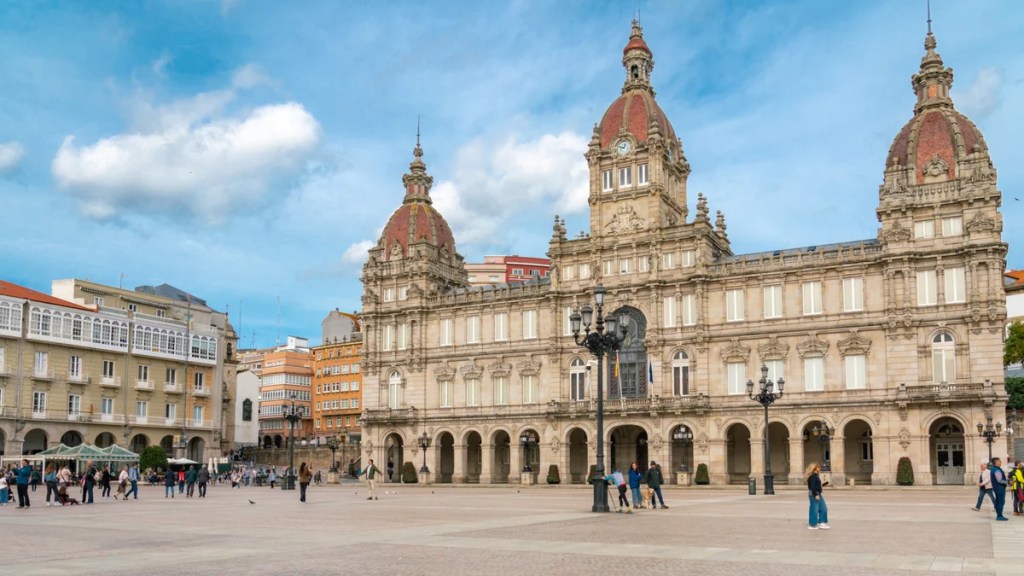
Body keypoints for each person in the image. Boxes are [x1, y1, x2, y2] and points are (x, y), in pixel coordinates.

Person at [806, 462, 830, 530]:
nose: (819, 468)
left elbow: (816, 485)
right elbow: (812, 487)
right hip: (814, 494)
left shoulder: (816, 476)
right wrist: (816, 494)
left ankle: (822, 523)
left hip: (818, 493)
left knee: (823, 508)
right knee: (814, 509)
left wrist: (822, 485)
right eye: (818, 467)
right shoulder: (813, 476)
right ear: (814, 469)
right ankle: (812, 524)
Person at [990, 457, 1009, 521]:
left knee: (999, 502)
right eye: (999, 461)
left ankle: (999, 515)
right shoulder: (996, 470)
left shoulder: (994, 469)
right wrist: (1008, 482)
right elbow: (1000, 480)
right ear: (996, 462)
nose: (1000, 462)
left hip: (997, 488)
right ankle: (999, 516)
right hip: (999, 488)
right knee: (1001, 502)